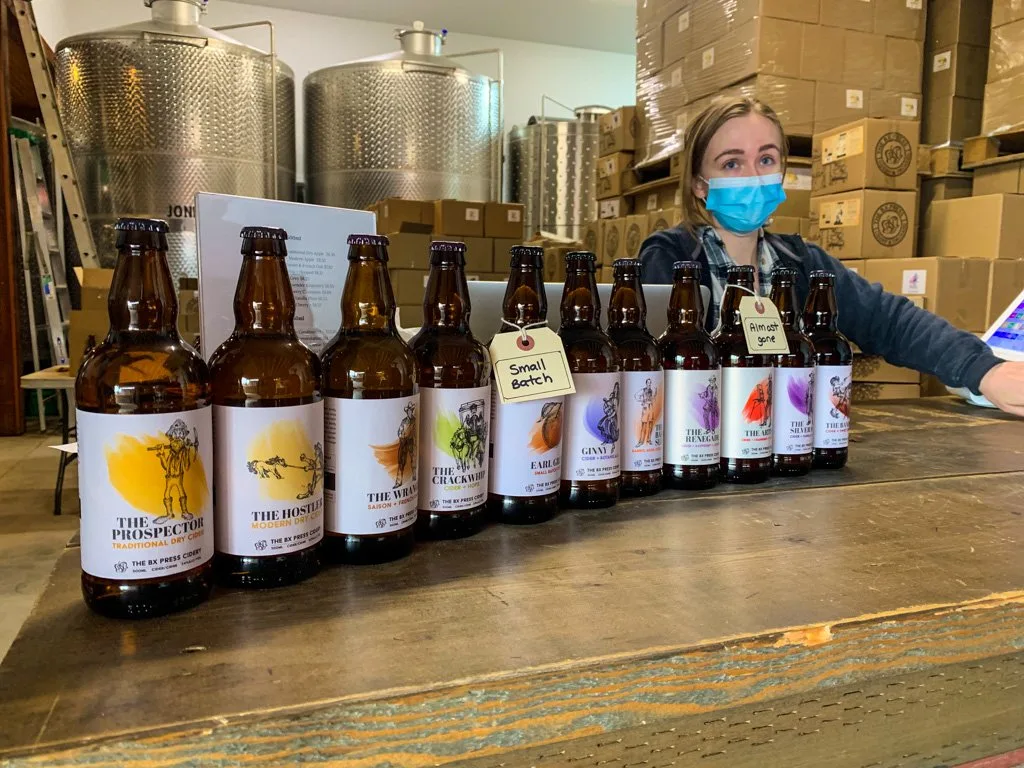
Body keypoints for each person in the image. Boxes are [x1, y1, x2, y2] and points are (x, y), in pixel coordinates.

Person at [639, 97, 1024, 417]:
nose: (754, 177)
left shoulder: (802, 262)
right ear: (699, 185)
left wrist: (983, 370)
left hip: (789, 454)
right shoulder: (674, 258)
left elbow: (889, 320)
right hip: (699, 462)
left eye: (767, 160)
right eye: (732, 163)